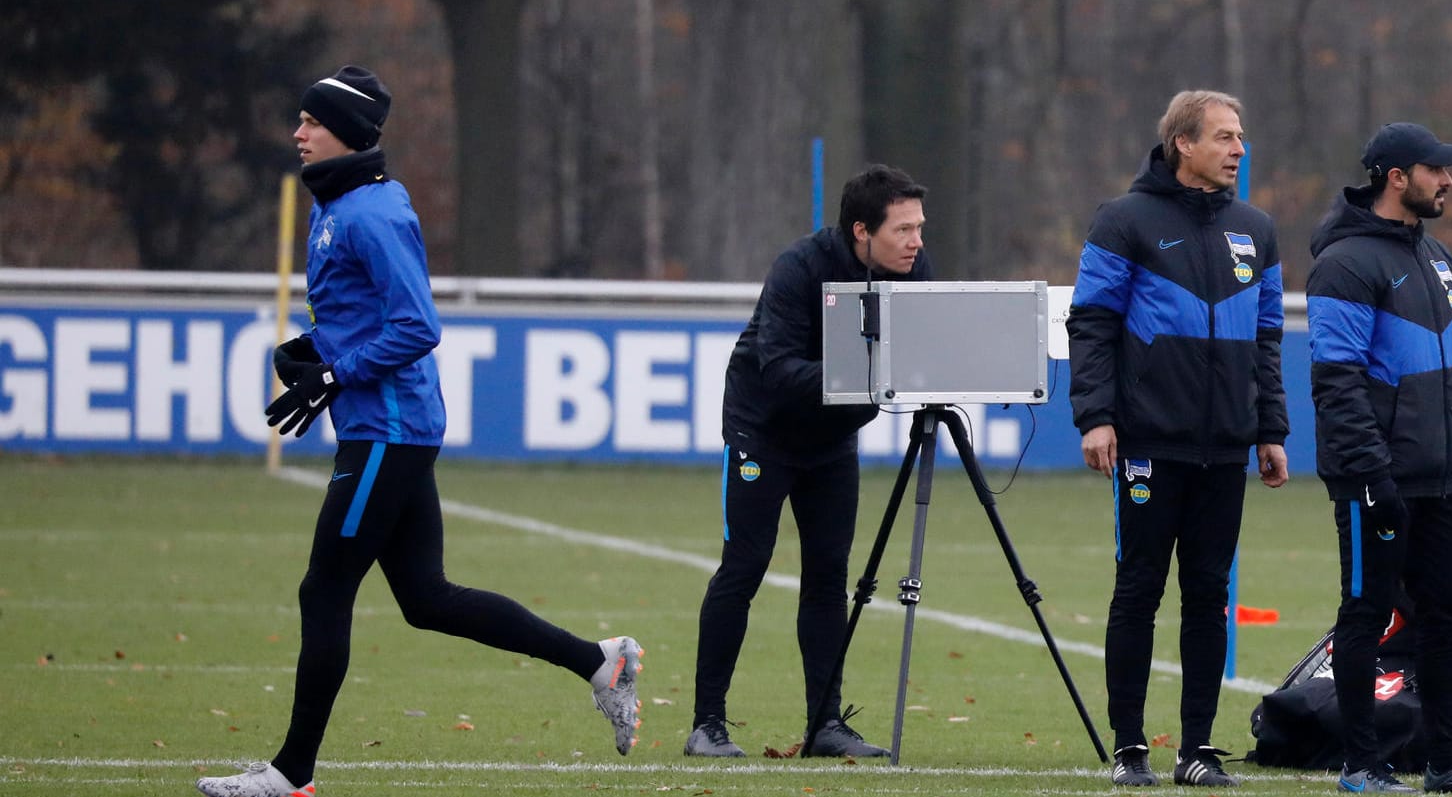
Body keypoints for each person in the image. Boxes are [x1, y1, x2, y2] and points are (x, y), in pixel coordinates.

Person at [196, 66, 642, 797]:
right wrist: (313, 349)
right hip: (382, 423)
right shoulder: (337, 203)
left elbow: (416, 326)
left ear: (348, 131)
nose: (297, 132)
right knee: (427, 599)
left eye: (311, 120)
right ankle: (601, 659)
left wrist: (337, 375)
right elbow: (362, 315)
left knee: (324, 588)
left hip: (388, 428)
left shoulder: (370, 212)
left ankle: (291, 774)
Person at [1066, 90, 1289, 788]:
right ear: (1182, 144)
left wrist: (1270, 428)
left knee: (1208, 595)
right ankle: (1129, 748)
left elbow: (1267, 337)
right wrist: (1095, 415)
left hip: (1224, 446)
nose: (1238, 149)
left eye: (1241, 136)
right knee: (1138, 590)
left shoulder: (1257, 229)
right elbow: (1092, 325)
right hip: (1148, 443)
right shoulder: (1123, 220)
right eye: (1224, 136)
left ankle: (1196, 748)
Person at [683, 164, 932, 760]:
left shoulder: (914, 271)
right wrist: (866, 378)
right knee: (744, 566)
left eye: (920, 228)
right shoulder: (798, 268)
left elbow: (923, 351)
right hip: (762, 432)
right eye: (903, 230)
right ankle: (705, 725)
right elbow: (778, 368)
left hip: (832, 443)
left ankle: (825, 724)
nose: (917, 242)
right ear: (860, 232)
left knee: (827, 579)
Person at [1306, 122, 1452, 795]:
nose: (1448, 180)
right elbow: (1336, 383)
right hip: (1376, 481)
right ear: (1397, 177)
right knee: (1367, 612)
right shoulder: (1343, 263)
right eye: (1436, 170)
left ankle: (1445, 763)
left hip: (1438, 478)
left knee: (1449, 612)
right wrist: (1371, 473)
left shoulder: (1438, 258)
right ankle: (1361, 766)